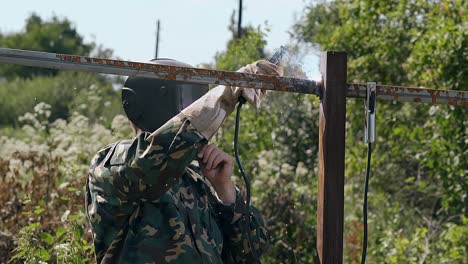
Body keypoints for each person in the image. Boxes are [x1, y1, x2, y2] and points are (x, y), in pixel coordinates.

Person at [85, 58, 283, 263]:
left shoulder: (198, 179)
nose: (192, 110)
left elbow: (251, 251)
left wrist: (225, 189)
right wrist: (229, 92)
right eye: (189, 104)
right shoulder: (113, 164)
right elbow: (157, 154)